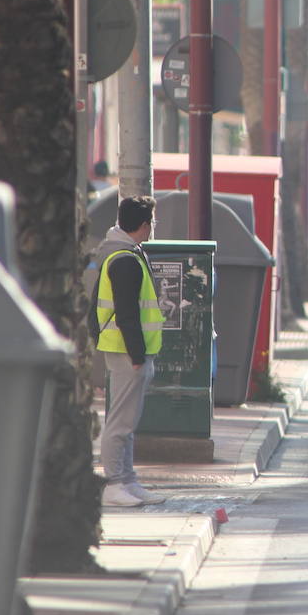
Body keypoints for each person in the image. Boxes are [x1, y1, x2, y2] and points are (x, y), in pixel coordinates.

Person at [94, 195, 166, 507]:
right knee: (120, 422)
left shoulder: (126, 254)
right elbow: (126, 314)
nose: (153, 227)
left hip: (130, 352)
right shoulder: (124, 259)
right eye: (152, 222)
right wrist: (137, 355)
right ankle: (113, 483)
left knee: (128, 421)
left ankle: (127, 479)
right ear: (144, 224)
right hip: (127, 353)